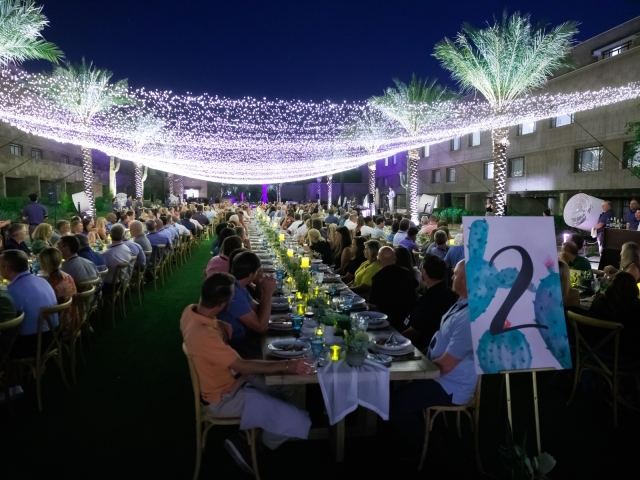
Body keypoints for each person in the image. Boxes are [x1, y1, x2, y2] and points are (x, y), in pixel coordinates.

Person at [180, 273, 312, 474]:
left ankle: (265, 423)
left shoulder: (190, 312)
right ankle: (252, 445)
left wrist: (219, 323)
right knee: (302, 420)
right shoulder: (204, 336)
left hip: (229, 381)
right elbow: (244, 366)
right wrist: (288, 366)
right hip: (224, 398)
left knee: (283, 390)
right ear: (222, 304)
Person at [390, 260, 477, 454]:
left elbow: (446, 365)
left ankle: (431, 450)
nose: (452, 277)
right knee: (396, 387)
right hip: (438, 375)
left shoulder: (469, 317)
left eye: (455, 274)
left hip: (449, 385)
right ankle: (427, 432)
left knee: (393, 404)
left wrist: (413, 370)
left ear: (464, 281)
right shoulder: (462, 304)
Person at [1, 250, 58, 361]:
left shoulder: (12, 292)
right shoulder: (42, 281)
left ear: (7, 270)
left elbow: (9, 325)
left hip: (33, 344)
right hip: (54, 335)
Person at [217, 252, 276, 357]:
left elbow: (257, 309)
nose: (259, 273)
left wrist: (261, 286)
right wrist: (268, 293)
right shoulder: (234, 294)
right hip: (235, 347)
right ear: (251, 275)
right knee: (274, 353)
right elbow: (261, 328)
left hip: (243, 338)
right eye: (257, 271)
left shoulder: (238, 285)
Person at [402, 254, 458, 350]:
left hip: (420, 349)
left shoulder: (430, 299)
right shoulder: (450, 295)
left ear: (424, 272)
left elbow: (413, 333)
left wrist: (393, 339)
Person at [588, 271, 640, 361]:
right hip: (625, 358)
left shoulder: (598, 303)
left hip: (593, 352)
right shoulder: (635, 310)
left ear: (610, 286)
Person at [367, 246, 418, 330]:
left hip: (387, 321)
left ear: (379, 262)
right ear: (395, 259)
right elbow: (416, 285)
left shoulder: (379, 277)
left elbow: (372, 305)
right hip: (408, 319)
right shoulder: (406, 272)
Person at [102, 224, 133, 292]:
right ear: (123, 236)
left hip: (110, 285)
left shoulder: (107, 253)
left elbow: (101, 271)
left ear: (110, 235)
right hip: (123, 281)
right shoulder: (127, 249)